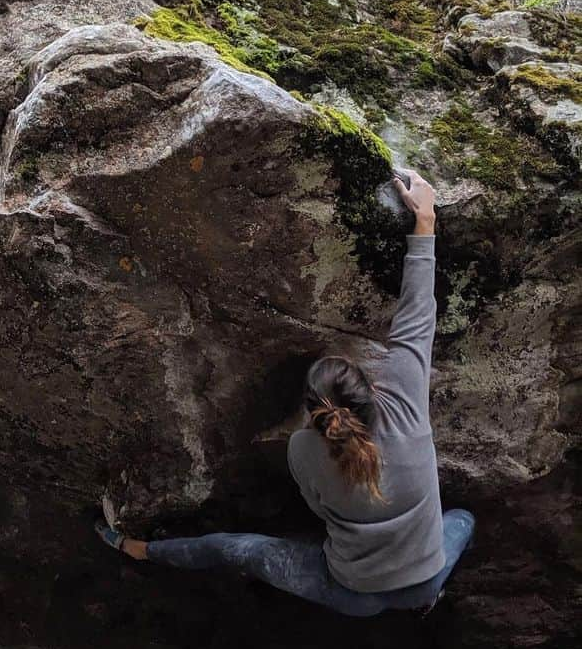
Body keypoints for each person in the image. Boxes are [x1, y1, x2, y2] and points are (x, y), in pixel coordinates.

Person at [96, 168, 475, 617]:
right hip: (423, 578)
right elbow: (418, 315)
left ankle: (137, 549)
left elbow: (317, 508)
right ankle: (427, 599)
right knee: (465, 521)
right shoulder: (407, 405)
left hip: (352, 591)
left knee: (236, 550)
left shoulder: (303, 449)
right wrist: (425, 221)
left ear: (312, 415)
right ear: (372, 389)